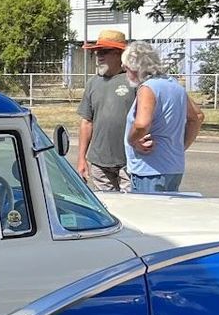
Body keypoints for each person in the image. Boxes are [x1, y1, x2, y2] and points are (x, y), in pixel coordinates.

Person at [122, 41, 204, 193]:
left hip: (149, 169)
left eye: (125, 67)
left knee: (146, 214)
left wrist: (132, 140)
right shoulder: (174, 84)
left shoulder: (147, 88)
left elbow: (141, 124)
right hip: (174, 168)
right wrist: (180, 147)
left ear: (134, 68)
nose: (125, 72)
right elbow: (197, 116)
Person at [73, 29, 134, 193]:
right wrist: (81, 159)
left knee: (131, 208)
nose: (99, 56)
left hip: (129, 161)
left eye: (104, 51)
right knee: (108, 208)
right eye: (96, 52)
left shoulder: (134, 81)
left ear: (120, 54)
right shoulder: (93, 83)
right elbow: (86, 122)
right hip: (99, 162)